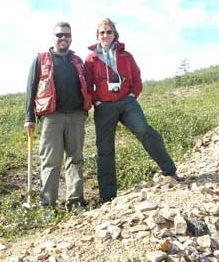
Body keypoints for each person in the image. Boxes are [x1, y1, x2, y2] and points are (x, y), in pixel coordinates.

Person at [84, 18, 180, 204]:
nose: (105, 35)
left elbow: (137, 77)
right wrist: (96, 101)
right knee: (105, 149)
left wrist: (132, 95)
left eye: (109, 32)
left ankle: (169, 170)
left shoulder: (126, 56)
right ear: (97, 36)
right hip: (104, 107)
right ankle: (108, 196)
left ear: (115, 35)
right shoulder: (91, 59)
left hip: (127, 103)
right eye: (102, 32)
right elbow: (87, 84)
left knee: (145, 131)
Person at [25, 21, 92, 211]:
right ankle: (48, 205)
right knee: (51, 161)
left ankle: (76, 201)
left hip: (76, 116)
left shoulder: (77, 60)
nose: (63, 38)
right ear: (53, 37)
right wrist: (29, 117)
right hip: (51, 117)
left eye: (67, 35)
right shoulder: (41, 59)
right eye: (59, 35)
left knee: (75, 159)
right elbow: (31, 88)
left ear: (71, 37)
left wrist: (84, 111)